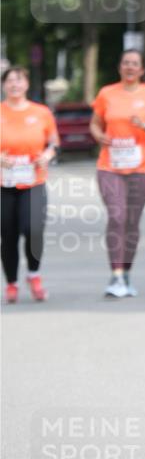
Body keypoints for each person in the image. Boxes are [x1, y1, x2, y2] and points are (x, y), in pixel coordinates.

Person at [90, 49, 145, 299]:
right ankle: (115, 275)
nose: (130, 67)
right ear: (120, 67)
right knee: (117, 216)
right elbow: (95, 122)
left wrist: (144, 125)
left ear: (142, 70)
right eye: (126, 63)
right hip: (109, 166)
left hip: (141, 167)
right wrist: (98, 134)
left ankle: (126, 274)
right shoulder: (106, 93)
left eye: (135, 64)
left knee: (132, 221)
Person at [1, 66, 59, 303]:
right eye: (10, 81)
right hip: (4, 183)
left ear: (26, 84)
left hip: (34, 180)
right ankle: (12, 283)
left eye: (19, 80)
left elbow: (53, 143)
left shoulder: (42, 112)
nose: (15, 84)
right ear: (4, 86)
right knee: (8, 235)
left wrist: (47, 155)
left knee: (33, 230)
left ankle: (34, 275)